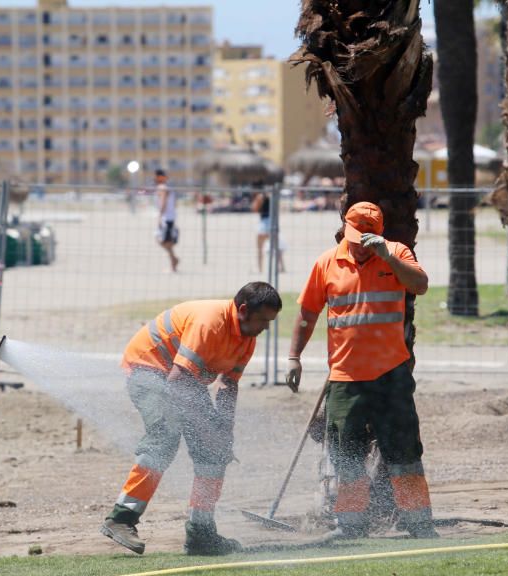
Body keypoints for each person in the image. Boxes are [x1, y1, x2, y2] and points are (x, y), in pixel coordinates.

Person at [285, 201, 438, 540]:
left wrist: (389, 257)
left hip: (391, 375)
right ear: (344, 228)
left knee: (404, 452)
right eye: (354, 236)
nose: (358, 243)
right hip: (345, 377)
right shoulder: (327, 262)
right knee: (347, 455)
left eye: (365, 237)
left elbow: (420, 285)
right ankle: (350, 527)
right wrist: (294, 356)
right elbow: (307, 313)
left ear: (378, 234)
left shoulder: (396, 252)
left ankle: (419, 524)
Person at [101, 282, 282, 556]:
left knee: (215, 451)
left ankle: (201, 534)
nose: (266, 327)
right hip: (148, 369)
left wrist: (224, 430)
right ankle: (121, 518)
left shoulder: (247, 338)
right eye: (263, 320)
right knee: (165, 436)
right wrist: (206, 427)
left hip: (184, 380)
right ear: (243, 310)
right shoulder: (211, 324)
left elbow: (227, 385)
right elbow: (177, 382)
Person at [153, 168, 180, 272]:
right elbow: (174, 203)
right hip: (170, 217)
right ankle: (174, 260)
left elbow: (163, 202)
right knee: (165, 241)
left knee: (164, 241)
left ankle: (174, 263)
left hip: (166, 218)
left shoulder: (162, 187)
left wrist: (160, 216)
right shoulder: (168, 187)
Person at [250, 183, 272, 275]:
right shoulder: (272, 195)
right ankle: (280, 267)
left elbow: (254, 209)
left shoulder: (259, 196)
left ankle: (260, 269)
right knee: (276, 247)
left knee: (260, 248)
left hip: (264, 223)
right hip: (272, 221)